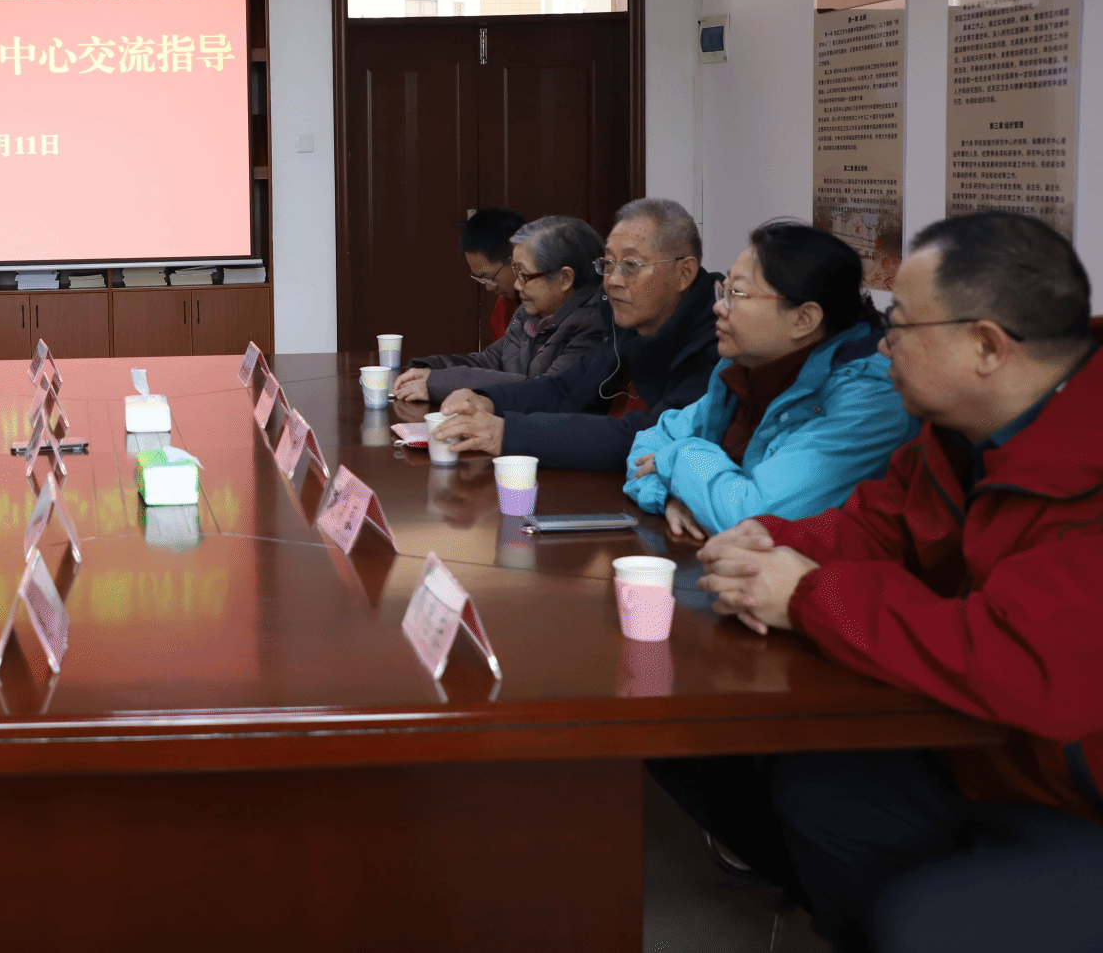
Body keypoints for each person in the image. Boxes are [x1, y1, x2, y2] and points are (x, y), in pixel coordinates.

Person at [656, 212, 1101, 953]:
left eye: (901, 326)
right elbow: (875, 526)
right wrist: (768, 543)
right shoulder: (957, 432)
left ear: (987, 345)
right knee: (726, 752)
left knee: (921, 913)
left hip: (1070, 791)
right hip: (978, 747)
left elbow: (1023, 663)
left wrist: (806, 595)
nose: (883, 343)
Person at [623, 221, 916, 539]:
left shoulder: (869, 399)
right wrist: (669, 496)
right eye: (723, 290)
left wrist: (677, 459)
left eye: (736, 294)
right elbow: (651, 442)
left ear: (803, 319)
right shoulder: (744, 367)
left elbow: (754, 517)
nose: (718, 307)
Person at [429, 197, 722, 470]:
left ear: (684, 273)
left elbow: (648, 436)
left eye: (631, 266)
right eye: (608, 264)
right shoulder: (632, 323)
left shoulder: (717, 341)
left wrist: (506, 433)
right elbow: (563, 388)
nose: (612, 281)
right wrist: (486, 400)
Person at [393, 215, 609, 404]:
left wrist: (437, 383)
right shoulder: (529, 314)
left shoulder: (594, 325)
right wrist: (428, 369)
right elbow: (491, 360)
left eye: (524, 275)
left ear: (565, 278)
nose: (517, 285)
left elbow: (542, 392)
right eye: (516, 273)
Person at [461, 206, 525, 343]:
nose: (489, 287)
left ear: (516, 259)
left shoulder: (553, 302)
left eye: (491, 277)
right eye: (481, 279)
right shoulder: (504, 306)